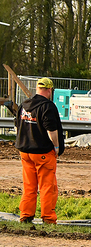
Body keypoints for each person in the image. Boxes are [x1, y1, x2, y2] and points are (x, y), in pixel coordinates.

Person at [14, 77, 65, 224]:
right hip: (42, 152)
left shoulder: (24, 105)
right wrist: (56, 146)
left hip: (25, 151)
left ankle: (25, 215)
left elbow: (17, 126)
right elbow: (51, 129)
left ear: (37, 89)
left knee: (29, 185)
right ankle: (48, 218)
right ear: (49, 90)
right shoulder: (47, 106)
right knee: (47, 186)